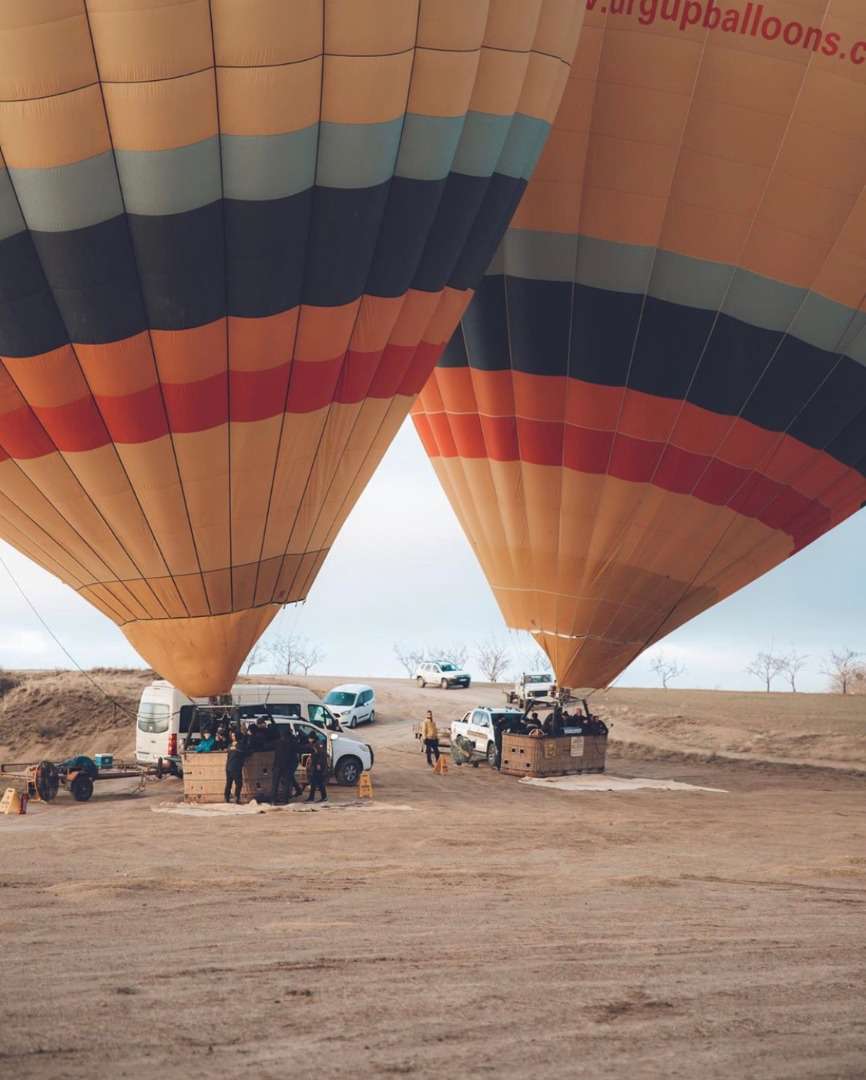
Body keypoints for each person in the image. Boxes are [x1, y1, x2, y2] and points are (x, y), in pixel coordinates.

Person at [271, 726, 300, 805]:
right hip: (287, 766)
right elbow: (298, 749)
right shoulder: (292, 742)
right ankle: (285, 800)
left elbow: (267, 746)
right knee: (286, 783)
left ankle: (273, 800)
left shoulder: (278, 742)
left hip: (277, 765)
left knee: (275, 783)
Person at [224, 727, 247, 804]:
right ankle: (236, 798)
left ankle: (226, 797)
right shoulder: (240, 745)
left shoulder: (229, 745)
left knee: (229, 783)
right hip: (236, 767)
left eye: (233, 736)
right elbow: (246, 752)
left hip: (228, 766)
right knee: (239, 783)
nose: (232, 737)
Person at [305, 734, 328, 802]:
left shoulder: (318, 744)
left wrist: (318, 765)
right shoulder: (315, 744)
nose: (309, 740)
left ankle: (323, 797)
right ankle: (312, 797)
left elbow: (321, 755)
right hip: (315, 766)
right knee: (314, 782)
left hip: (318, 766)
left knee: (319, 782)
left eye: (310, 738)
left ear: (313, 738)